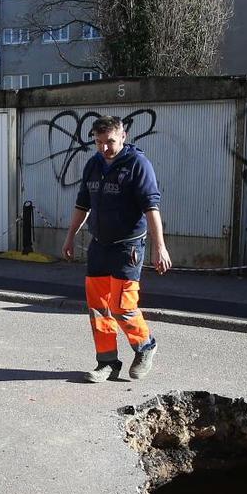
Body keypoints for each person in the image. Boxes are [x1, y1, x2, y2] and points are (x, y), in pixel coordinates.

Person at [61, 116, 172, 383]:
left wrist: (160, 247)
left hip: (128, 246)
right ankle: (107, 362)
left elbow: (151, 208)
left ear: (124, 136)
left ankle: (145, 346)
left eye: (110, 141)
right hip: (99, 245)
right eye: (98, 142)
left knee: (122, 306)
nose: (104, 148)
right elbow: (82, 205)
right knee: (98, 307)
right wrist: (69, 237)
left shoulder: (138, 165)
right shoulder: (93, 164)